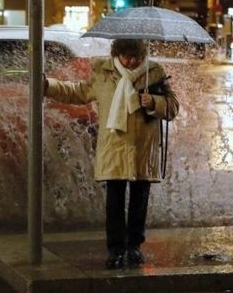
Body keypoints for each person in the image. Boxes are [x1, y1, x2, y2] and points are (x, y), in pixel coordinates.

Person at [44, 38, 179, 269]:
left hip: (143, 148)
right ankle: (116, 250)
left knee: (139, 200)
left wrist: (154, 101)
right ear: (117, 54)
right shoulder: (103, 71)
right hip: (114, 145)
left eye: (136, 57)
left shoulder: (155, 72)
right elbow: (79, 92)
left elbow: (173, 107)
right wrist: (49, 85)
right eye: (126, 56)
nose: (131, 61)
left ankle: (134, 247)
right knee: (114, 201)